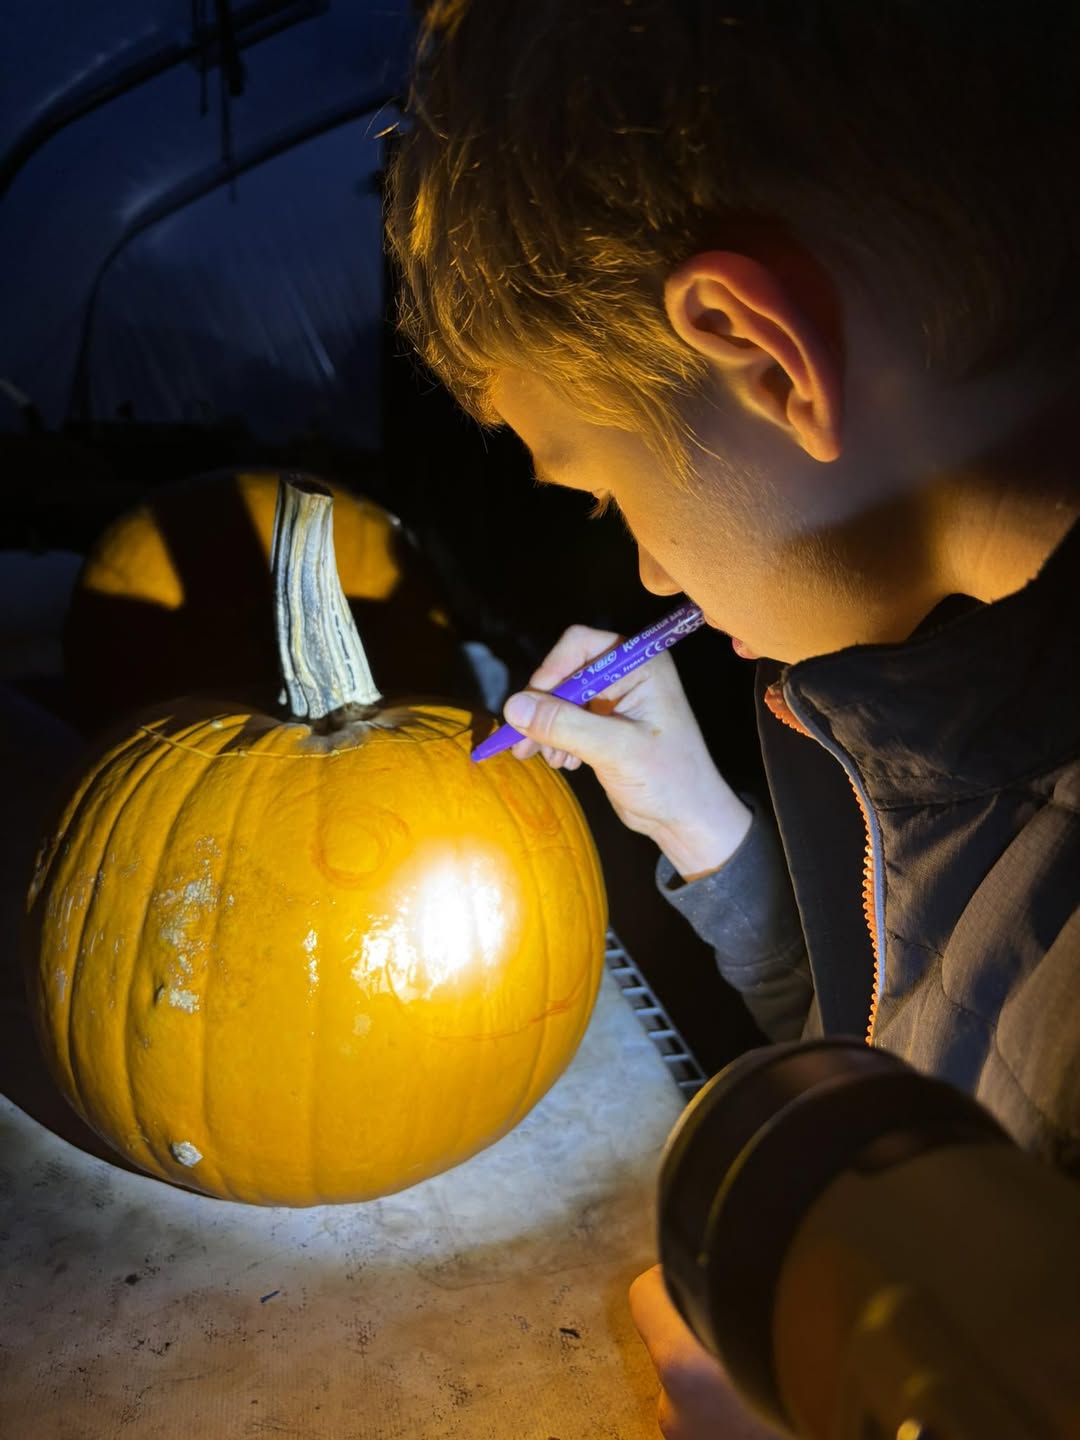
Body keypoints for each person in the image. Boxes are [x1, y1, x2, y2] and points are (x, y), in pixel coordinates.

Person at [386, 3, 1080, 1435]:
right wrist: (712, 835)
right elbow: (908, 1052)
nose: (644, 568)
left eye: (601, 486)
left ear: (764, 357)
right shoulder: (944, 720)